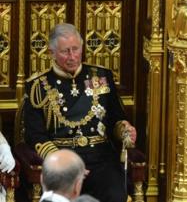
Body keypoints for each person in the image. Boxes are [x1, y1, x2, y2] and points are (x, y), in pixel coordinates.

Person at [24, 23, 137, 202]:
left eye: (75, 49)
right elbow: (35, 135)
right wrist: (63, 161)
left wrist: (125, 129)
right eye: (65, 51)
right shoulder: (38, 86)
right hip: (63, 158)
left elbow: (116, 118)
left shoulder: (101, 76)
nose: (72, 57)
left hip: (100, 158)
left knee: (116, 195)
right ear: (51, 52)